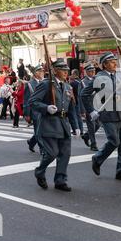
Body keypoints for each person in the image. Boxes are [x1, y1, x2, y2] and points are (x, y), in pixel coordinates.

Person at [81, 51, 121, 181]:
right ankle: (97, 159)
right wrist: (91, 111)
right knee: (114, 141)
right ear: (104, 64)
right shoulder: (98, 77)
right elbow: (84, 94)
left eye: (115, 61)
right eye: (111, 61)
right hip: (108, 115)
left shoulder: (120, 75)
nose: (114, 63)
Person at [30, 58, 79, 192]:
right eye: (63, 70)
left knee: (65, 154)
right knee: (52, 153)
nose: (65, 73)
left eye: (67, 70)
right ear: (55, 71)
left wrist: (76, 126)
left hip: (64, 124)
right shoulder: (47, 84)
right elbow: (33, 102)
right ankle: (40, 171)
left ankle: (60, 180)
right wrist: (46, 108)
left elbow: (72, 108)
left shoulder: (68, 86)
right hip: (49, 123)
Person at [24, 64, 45, 153]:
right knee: (39, 131)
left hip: (44, 110)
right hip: (35, 111)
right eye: (40, 71)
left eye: (42, 71)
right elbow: (27, 100)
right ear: (35, 73)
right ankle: (42, 149)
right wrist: (27, 114)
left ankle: (31, 142)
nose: (42, 73)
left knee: (42, 130)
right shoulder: (30, 84)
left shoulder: (44, 82)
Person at [80, 64, 101, 151]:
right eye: (90, 71)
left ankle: (86, 136)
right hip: (88, 107)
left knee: (98, 125)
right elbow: (80, 96)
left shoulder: (96, 80)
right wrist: (83, 110)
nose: (92, 73)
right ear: (87, 72)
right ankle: (93, 144)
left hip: (96, 106)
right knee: (91, 126)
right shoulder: (83, 82)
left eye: (93, 71)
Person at [69, 69, 84, 138]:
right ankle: (81, 130)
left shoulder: (73, 83)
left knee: (75, 116)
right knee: (79, 116)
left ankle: (76, 129)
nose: (71, 75)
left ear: (74, 74)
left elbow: (71, 92)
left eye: (72, 74)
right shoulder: (81, 81)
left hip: (75, 101)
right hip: (80, 101)